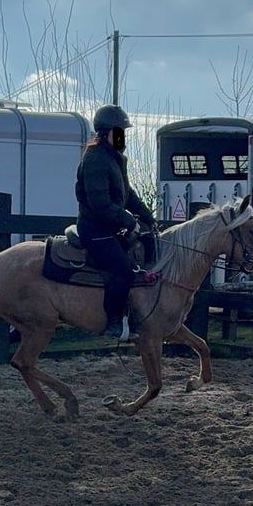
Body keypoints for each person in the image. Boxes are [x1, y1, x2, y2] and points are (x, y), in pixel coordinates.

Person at [75, 104, 158, 340]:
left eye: (124, 131)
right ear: (105, 133)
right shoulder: (95, 160)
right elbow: (100, 204)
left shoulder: (116, 159)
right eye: (119, 131)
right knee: (122, 271)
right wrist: (129, 221)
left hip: (111, 227)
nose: (123, 136)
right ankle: (112, 322)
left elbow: (127, 195)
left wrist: (148, 217)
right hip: (95, 229)